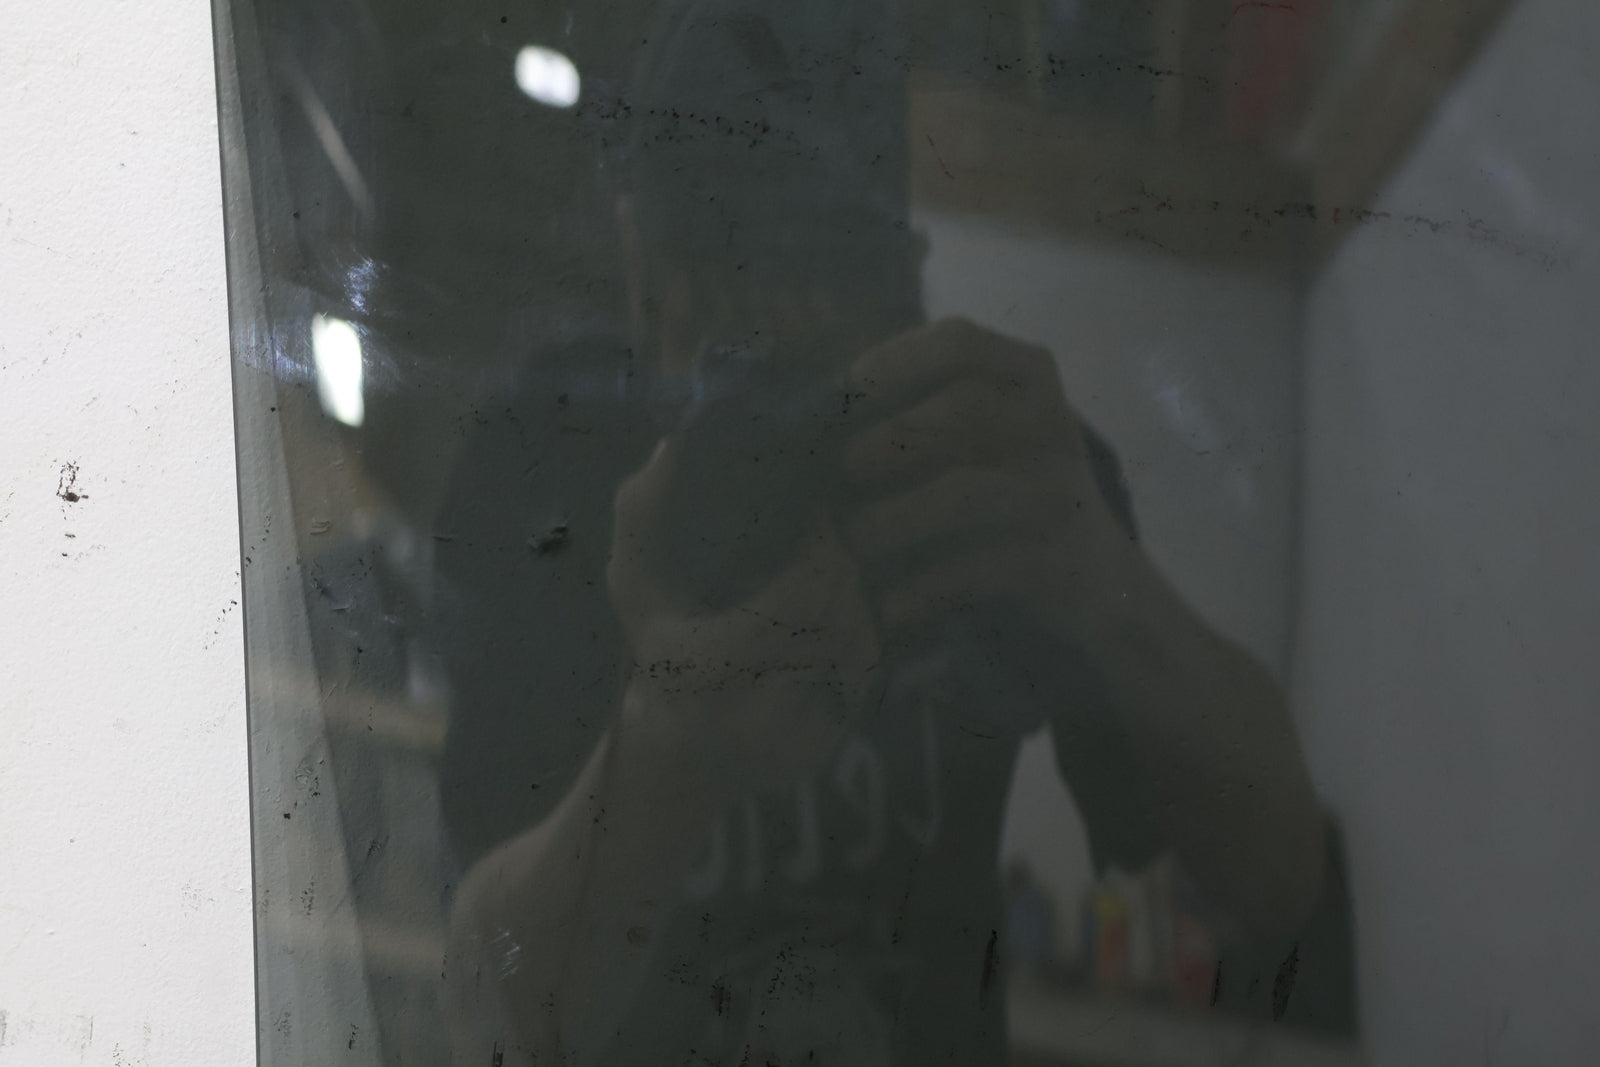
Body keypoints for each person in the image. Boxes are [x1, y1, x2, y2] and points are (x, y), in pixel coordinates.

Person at [434, 1, 1326, 1063]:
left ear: (910, 286)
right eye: (727, 325)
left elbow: (1278, 882)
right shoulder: (559, 458)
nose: (781, 412)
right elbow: (483, 1014)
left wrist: (1105, 587)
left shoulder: (982, 461)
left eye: (832, 334)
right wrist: (670, 743)